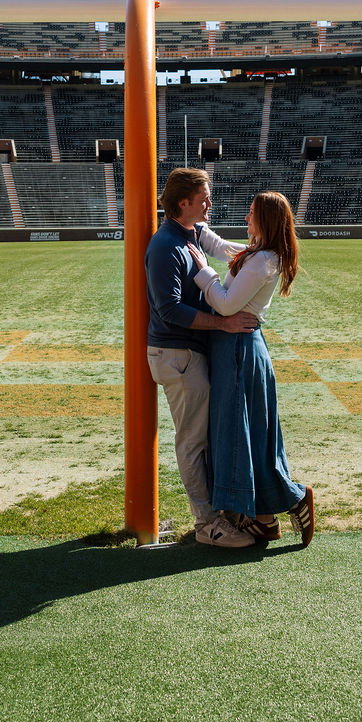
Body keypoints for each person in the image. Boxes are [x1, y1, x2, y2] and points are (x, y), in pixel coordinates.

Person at [188, 190, 314, 547]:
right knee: (250, 434)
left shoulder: (263, 261)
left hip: (240, 351)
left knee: (244, 432)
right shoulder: (257, 254)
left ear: (267, 220)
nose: (246, 218)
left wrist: (203, 273)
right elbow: (214, 242)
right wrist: (188, 223)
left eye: (252, 213)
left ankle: (291, 498)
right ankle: (263, 520)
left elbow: (226, 306)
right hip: (237, 351)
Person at [145, 168, 258, 549]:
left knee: (203, 439)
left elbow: (221, 246)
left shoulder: (188, 234)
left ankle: (215, 514)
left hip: (187, 353)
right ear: (184, 203)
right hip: (177, 354)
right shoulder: (166, 247)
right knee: (193, 442)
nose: (210, 204)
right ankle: (206, 525)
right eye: (204, 198)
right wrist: (222, 325)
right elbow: (169, 310)